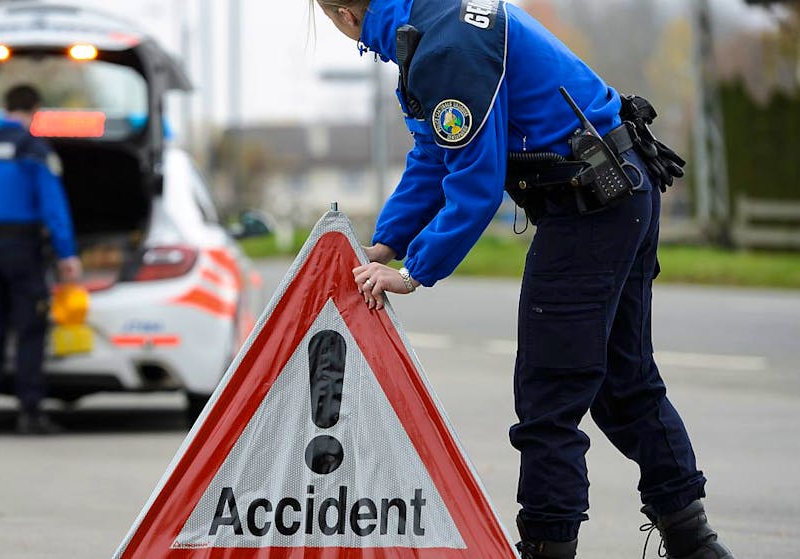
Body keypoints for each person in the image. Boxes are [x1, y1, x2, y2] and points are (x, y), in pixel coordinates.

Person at [313, 1, 736, 558]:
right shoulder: (436, 20)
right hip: (622, 187)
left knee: (548, 398)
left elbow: (476, 184)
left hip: (589, 203)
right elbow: (433, 155)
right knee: (624, 383)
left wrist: (414, 271)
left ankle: (548, 546)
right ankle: (694, 544)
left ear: (346, 16)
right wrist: (386, 244)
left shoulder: (444, 48)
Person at [0, 84, 82, 436]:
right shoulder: (32, 149)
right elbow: (53, 206)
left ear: (6, 107)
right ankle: (30, 412)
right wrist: (67, 253)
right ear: (36, 110)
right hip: (22, 249)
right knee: (29, 329)